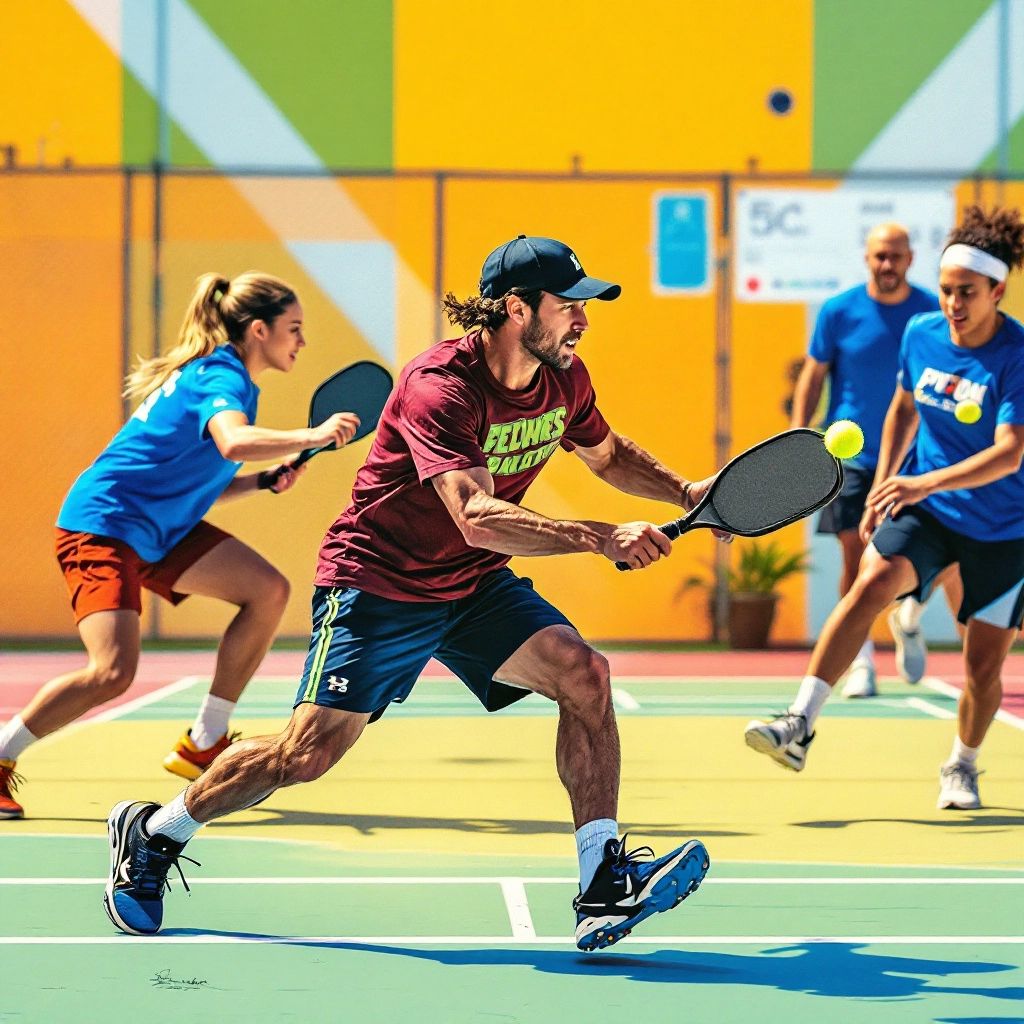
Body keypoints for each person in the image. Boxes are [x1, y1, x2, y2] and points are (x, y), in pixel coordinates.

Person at [103, 235, 715, 951]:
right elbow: (476, 517)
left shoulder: (565, 379)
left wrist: (683, 490)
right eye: (569, 306)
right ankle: (153, 831)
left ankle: (602, 885)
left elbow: (607, 455)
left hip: (470, 583)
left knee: (585, 673)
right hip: (378, 580)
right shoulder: (439, 386)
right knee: (307, 755)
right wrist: (597, 537)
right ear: (516, 309)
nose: (583, 320)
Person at [0, 272, 358, 820]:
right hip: (106, 524)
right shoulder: (221, 377)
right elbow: (234, 441)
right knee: (112, 672)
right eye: (294, 329)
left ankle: (204, 741)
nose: (302, 341)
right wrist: (311, 435)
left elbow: (201, 478)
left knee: (266, 590)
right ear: (259, 330)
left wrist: (261, 482)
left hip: (160, 528)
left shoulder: (227, 379)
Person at [746, 206, 1024, 811]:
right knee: (870, 580)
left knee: (981, 668)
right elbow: (902, 408)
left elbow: (1009, 454)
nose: (953, 304)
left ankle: (963, 763)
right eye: (948, 291)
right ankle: (799, 722)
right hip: (930, 512)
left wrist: (919, 484)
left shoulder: (1016, 355)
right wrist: (892, 479)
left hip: (1003, 530)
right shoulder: (922, 333)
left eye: (968, 294)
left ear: (998, 292)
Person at [790, 222, 961, 698]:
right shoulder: (839, 311)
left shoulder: (931, 312)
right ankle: (861, 661)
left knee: (943, 557)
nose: (888, 265)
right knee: (856, 551)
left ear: (910, 259)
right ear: (868, 259)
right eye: (879, 256)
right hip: (851, 458)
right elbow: (814, 374)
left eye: (896, 256)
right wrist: (798, 437)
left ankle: (909, 616)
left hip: (921, 460)